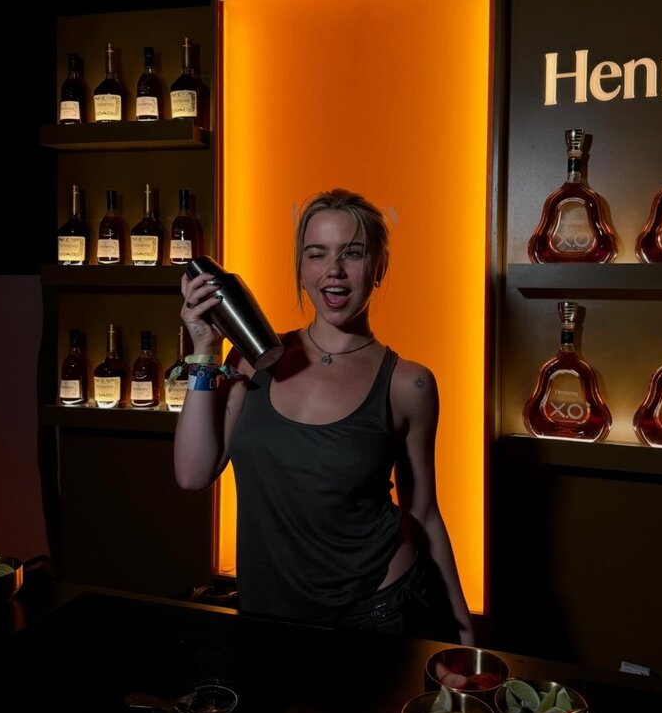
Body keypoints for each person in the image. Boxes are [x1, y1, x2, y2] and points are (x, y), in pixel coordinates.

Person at [174, 188, 474, 644]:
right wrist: (204, 350)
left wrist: (463, 635)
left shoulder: (408, 384)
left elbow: (424, 513)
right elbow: (193, 474)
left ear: (379, 268)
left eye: (352, 253)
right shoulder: (251, 360)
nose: (333, 270)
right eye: (316, 254)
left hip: (376, 610)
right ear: (301, 267)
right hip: (267, 613)